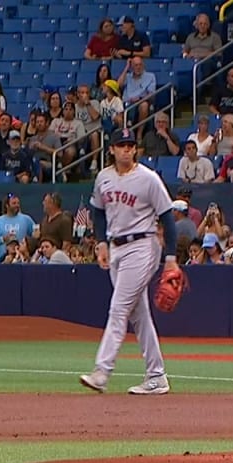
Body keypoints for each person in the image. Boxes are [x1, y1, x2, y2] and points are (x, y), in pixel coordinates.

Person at [79, 128, 178, 395]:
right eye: (121, 145)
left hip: (143, 245)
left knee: (119, 308)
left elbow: (168, 218)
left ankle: (102, 372)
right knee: (139, 315)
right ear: (111, 149)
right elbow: (98, 212)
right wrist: (101, 243)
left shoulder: (148, 179)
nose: (126, 149)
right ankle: (157, 376)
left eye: (130, 145)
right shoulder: (104, 177)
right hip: (116, 247)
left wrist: (171, 258)